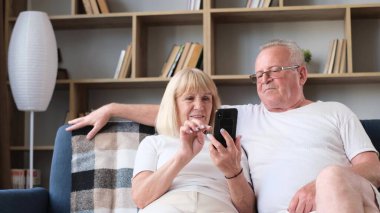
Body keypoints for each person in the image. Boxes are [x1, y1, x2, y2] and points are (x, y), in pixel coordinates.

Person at [67, 40, 380, 213]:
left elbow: (372, 167)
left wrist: (318, 185)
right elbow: (180, 112)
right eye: (258, 74)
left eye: (274, 70)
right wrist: (112, 108)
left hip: (335, 202)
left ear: (302, 74)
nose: (265, 78)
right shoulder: (244, 117)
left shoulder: (335, 112)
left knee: (332, 176)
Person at [128, 68, 255, 212]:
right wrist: (183, 156)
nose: (200, 106)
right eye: (189, 98)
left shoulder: (230, 148)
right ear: (173, 104)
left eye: (206, 98)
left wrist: (233, 171)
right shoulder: (153, 143)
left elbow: (247, 210)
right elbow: (141, 198)